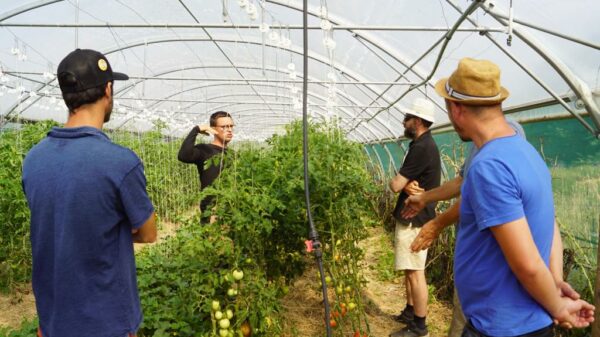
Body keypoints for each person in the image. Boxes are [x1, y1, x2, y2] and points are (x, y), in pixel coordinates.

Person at [431, 57, 594, 336]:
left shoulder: (489, 166)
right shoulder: (526, 152)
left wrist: (558, 306)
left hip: (501, 326)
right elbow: (550, 224)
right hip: (530, 321)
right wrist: (555, 281)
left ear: (456, 108)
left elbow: (527, 265)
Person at [22, 49, 157, 337]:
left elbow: (57, 220)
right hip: (106, 323)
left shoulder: (33, 159)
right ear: (108, 90)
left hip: (54, 321)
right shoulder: (120, 162)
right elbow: (148, 233)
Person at [388, 97, 441, 337]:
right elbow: (406, 184)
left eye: (407, 118)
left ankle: (419, 327)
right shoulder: (422, 144)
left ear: (417, 121)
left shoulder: (421, 147)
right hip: (414, 217)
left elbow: (395, 185)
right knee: (410, 270)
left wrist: (402, 181)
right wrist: (408, 183)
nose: (404, 122)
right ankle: (410, 312)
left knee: (415, 272)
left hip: (414, 218)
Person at [177, 111, 234, 221]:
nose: (229, 130)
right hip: (210, 213)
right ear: (213, 129)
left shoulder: (233, 155)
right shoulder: (205, 150)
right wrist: (196, 129)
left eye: (231, 126)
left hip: (230, 212)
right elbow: (183, 156)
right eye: (224, 127)